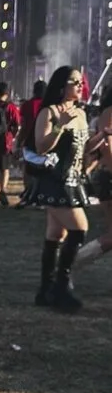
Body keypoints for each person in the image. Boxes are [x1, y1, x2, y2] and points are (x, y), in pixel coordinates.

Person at [28, 66, 90, 312]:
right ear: (62, 86)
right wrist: (59, 126)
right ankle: (61, 289)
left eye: (80, 82)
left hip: (73, 180)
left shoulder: (81, 113)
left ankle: (46, 290)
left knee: (56, 235)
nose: (80, 86)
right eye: (75, 82)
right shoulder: (50, 112)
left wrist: (102, 138)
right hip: (56, 181)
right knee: (79, 229)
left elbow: (82, 148)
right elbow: (41, 147)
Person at [76, 86, 112, 269]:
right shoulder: (109, 112)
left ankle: (67, 266)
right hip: (109, 175)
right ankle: (68, 265)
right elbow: (107, 146)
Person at [15, 79, 47, 207]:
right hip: (45, 140)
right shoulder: (49, 105)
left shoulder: (27, 105)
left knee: (28, 169)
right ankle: (41, 196)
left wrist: (19, 142)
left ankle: (28, 194)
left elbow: (23, 126)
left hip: (29, 139)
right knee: (44, 169)